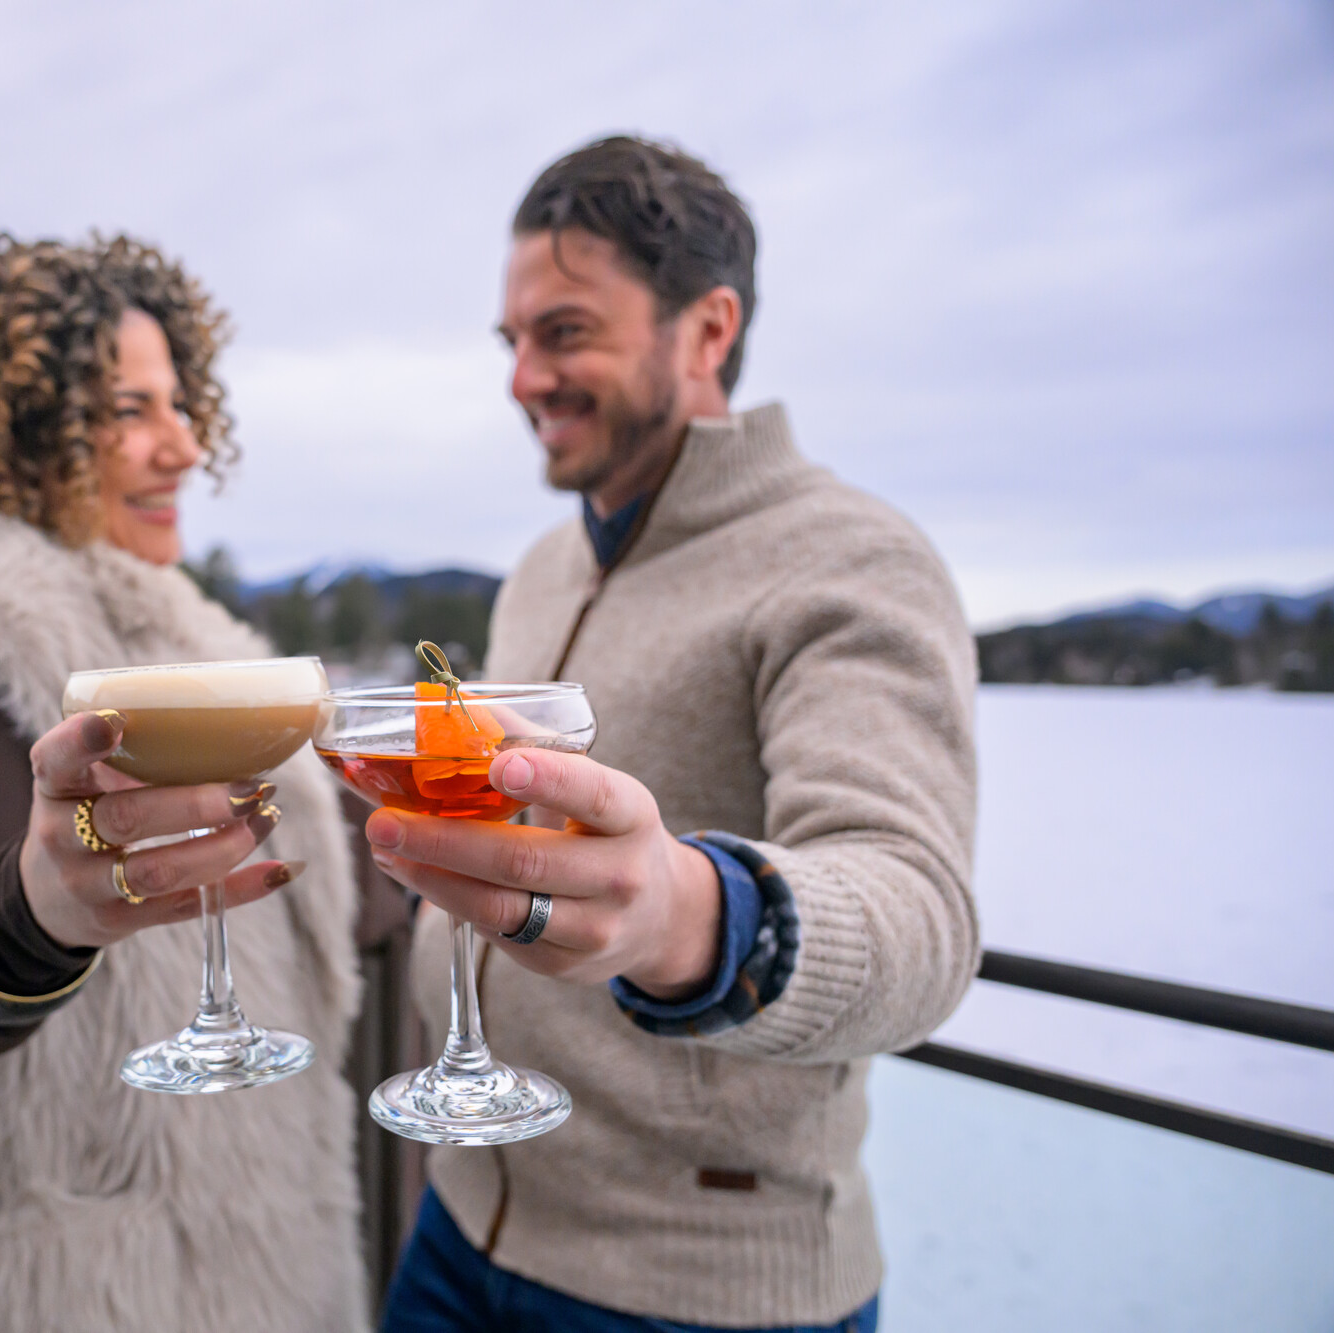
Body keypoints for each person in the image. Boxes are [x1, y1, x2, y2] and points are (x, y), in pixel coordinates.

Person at [370, 138, 978, 1332]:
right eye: (511, 343)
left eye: (565, 334)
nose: (521, 380)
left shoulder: (852, 556)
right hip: (459, 1221)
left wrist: (679, 913)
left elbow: (920, 915)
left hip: (697, 1287)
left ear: (705, 330)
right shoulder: (541, 571)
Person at [0, 234, 367, 1331]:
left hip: (246, 1273)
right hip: (52, 1293)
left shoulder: (185, 634)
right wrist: (30, 918)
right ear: (7, 433)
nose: (182, 447)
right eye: (129, 411)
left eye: (182, 407)